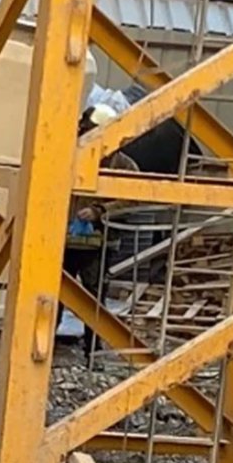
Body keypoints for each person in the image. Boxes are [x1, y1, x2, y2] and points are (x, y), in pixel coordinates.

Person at [64, 103, 139, 357]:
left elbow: (131, 198)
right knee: (54, 294)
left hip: (99, 243)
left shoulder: (124, 166)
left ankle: (92, 351)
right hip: (65, 240)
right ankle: (44, 346)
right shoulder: (69, 154)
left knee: (94, 299)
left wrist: (99, 211)